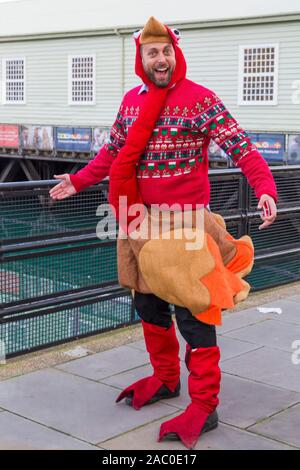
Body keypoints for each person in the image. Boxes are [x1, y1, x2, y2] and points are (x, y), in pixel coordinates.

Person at [49, 17, 277, 449]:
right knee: (148, 302)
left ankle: (205, 405)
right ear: (141, 58)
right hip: (138, 217)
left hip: (186, 220)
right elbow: (112, 153)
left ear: (176, 53)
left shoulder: (199, 100)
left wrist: (264, 188)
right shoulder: (132, 102)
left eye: (166, 50)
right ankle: (167, 379)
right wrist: (77, 180)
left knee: (195, 312)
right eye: (152, 52)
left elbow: (241, 147)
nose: (160, 58)